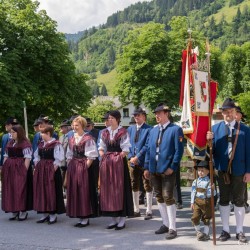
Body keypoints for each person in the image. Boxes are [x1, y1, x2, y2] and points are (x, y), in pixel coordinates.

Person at [207, 98, 250, 244]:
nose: (228, 114)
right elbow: (209, 153)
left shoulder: (245, 129)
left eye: (230, 111)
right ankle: (225, 230)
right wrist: (208, 142)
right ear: (222, 113)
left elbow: (249, 152)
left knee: (239, 200)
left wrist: (248, 171)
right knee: (224, 200)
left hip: (239, 169)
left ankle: (239, 231)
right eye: (225, 111)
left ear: (235, 112)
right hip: (222, 170)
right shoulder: (214, 129)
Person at [144, 103, 184, 240]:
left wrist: (172, 167)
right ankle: (165, 224)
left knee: (168, 196)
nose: (157, 116)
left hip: (167, 169)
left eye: (159, 113)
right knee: (159, 196)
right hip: (154, 169)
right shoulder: (153, 130)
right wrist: (147, 167)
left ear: (166, 114)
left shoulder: (176, 129)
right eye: (156, 113)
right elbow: (149, 150)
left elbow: (179, 151)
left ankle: (173, 227)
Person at [98, 110, 134, 230]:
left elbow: (126, 149)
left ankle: (122, 219)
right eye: (108, 118)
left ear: (118, 119)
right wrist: (103, 155)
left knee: (120, 188)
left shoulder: (123, 132)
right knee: (108, 189)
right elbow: (101, 147)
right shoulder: (104, 132)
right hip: (107, 163)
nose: (109, 120)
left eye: (112, 118)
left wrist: (117, 158)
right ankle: (113, 219)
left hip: (118, 163)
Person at [66, 116, 98, 227]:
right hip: (74, 166)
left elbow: (91, 157)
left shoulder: (88, 138)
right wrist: (70, 166)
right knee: (75, 191)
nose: (74, 127)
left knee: (84, 191)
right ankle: (79, 215)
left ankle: (85, 217)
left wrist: (84, 168)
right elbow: (69, 154)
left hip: (84, 167)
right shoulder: (71, 138)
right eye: (73, 125)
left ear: (82, 126)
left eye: (77, 125)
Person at [33, 126, 65, 224]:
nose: (41, 135)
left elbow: (59, 158)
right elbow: (36, 156)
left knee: (51, 191)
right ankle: (44, 214)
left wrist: (52, 169)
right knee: (42, 191)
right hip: (41, 170)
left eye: (42, 133)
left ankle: (52, 215)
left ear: (48, 134)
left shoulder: (56, 144)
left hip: (51, 171)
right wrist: (37, 165)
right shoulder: (41, 144)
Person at [1, 124, 32, 221]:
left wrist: (24, 171)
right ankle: (14, 210)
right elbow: (5, 156)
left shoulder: (25, 143)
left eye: (13, 132)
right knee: (11, 189)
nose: (12, 134)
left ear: (19, 133)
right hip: (10, 170)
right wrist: (4, 167)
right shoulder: (10, 143)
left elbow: (27, 158)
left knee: (20, 189)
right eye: (11, 132)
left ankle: (22, 211)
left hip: (19, 169)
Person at [127, 107, 153, 220]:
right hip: (132, 161)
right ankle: (136, 209)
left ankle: (149, 210)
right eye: (135, 115)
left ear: (144, 116)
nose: (136, 117)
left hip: (144, 160)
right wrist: (130, 157)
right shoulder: (130, 129)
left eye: (139, 115)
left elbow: (148, 145)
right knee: (134, 183)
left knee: (147, 184)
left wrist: (137, 157)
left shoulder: (149, 129)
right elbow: (127, 144)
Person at [191, 159, 216, 241]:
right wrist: (192, 202)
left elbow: (214, 194)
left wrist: (213, 189)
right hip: (197, 202)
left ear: (208, 172)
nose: (200, 172)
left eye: (202, 171)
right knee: (195, 217)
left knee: (207, 218)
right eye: (199, 171)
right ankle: (198, 232)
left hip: (207, 202)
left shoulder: (210, 181)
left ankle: (206, 234)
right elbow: (193, 192)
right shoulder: (196, 181)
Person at [235, 106, 249, 214]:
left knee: (242, 185)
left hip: (242, 163)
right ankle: (235, 202)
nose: (235, 115)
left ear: (240, 115)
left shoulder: (245, 129)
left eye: (237, 113)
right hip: (231, 163)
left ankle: (244, 202)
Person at [59, 119, 72, 192]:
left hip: (68, 162)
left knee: (67, 181)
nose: (60, 129)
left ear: (67, 127)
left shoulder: (71, 136)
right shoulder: (61, 137)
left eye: (62, 127)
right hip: (61, 162)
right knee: (61, 179)